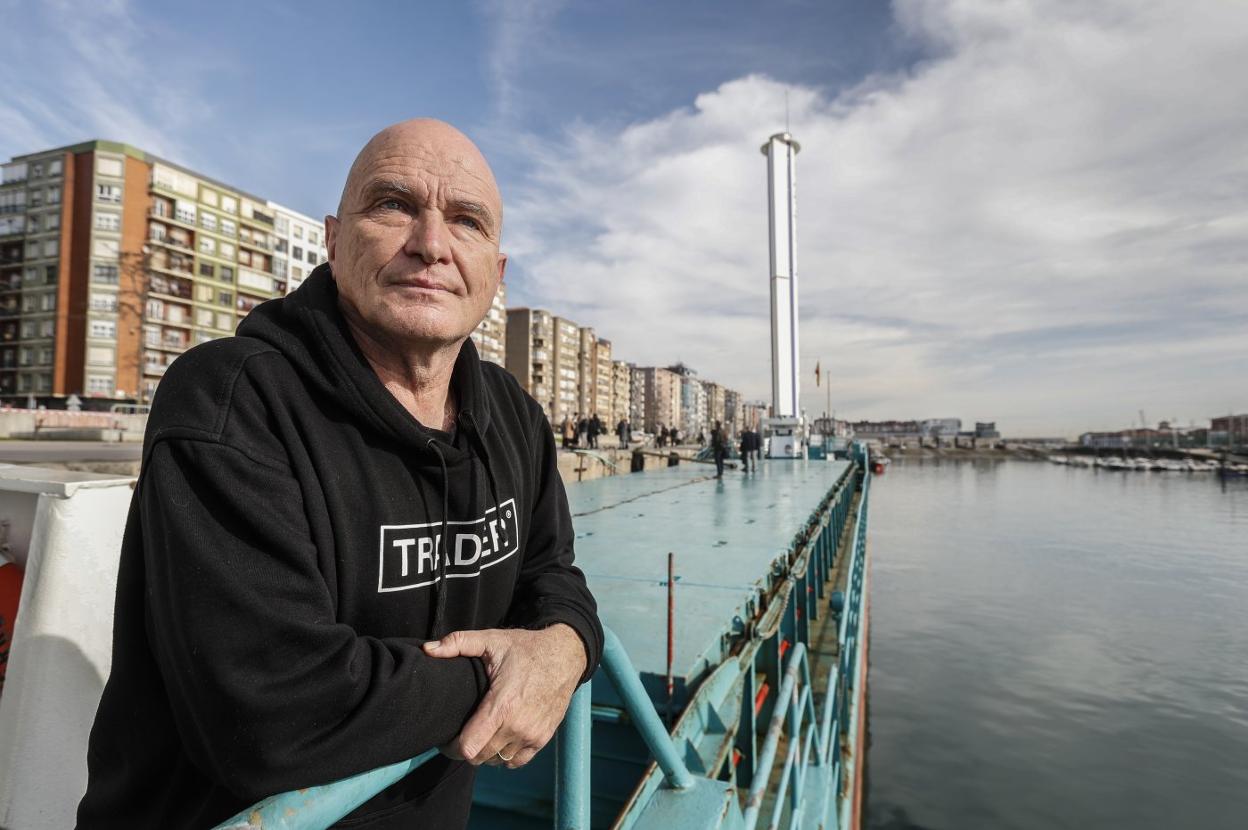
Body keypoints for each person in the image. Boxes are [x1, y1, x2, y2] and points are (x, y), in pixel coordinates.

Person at [77, 119, 603, 829]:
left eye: (466, 220)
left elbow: (552, 575)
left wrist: (565, 649)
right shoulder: (230, 404)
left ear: (496, 272)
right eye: (392, 205)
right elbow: (270, 715)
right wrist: (500, 675)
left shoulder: (512, 415)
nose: (431, 244)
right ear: (332, 238)